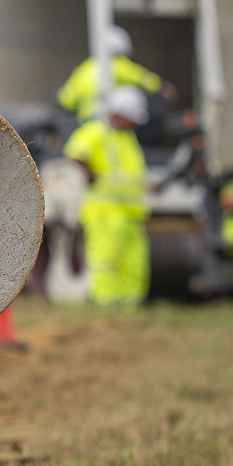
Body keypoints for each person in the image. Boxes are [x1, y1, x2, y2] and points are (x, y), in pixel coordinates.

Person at [63, 83, 151, 309]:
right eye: (131, 118)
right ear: (119, 114)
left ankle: (130, 306)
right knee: (106, 260)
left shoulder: (126, 137)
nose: (134, 124)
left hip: (130, 212)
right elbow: (74, 154)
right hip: (105, 211)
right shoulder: (97, 131)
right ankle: (106, 305)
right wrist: (91, 175)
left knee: (133, 262)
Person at [57, 26, 171, 124]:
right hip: (112, 122)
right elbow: (148, 82)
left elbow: (65, 99)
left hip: (87, 122)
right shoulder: (120, 65)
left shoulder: (86, 67)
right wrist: (162, 87)